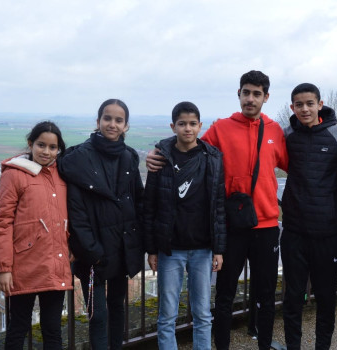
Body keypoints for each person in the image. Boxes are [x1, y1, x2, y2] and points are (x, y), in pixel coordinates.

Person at [147, 70, 289, 350]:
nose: (250, 99)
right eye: (246, 92)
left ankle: (264, 344)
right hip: (233, 226)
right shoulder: (221, 128)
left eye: (257, 94)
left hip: (267, 224)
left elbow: (294, 165)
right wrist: (158, 152)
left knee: (266, 294)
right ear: (239, 94)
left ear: (266, 97)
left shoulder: (274, 130)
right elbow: (188, 145)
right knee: (224, 296)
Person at [58, 99, 144, 350]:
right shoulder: (79, 159)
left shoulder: (129, 157)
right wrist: (92, 252)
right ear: (98, 122)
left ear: (126, 126)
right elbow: (76, 212)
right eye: (108, 118)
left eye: (119, 120)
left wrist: (137, 244)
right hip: (94, 254)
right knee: (98, 315)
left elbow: (137, 200)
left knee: (118, 308)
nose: (112, 124)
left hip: (122, 247)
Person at [142, 101, 226, 350]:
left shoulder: (213, 158)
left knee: (202, 313)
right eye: (182, 124)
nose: (187, 129)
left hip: (203, 249)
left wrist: (218, 249)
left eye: (192, 124)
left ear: (201, 126)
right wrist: (152, 249)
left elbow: (219, 206)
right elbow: (150, 207)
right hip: (171, 249)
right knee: (167, 315)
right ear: (173, 126)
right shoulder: (160, 158)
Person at [280, 83, 337, 350]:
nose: (305, 109)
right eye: (299, 104)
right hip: (295, 231)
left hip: (328, 233)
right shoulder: (286, 135)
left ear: (320, 104)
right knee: (293, 298)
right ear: (292, 108)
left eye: (310, 103)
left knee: (326, 298)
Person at [0, 121, 71, 349]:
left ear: (58, 149)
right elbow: (2, 222)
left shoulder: (62, 174)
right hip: (23, 265)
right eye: (41, 145)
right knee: (18, 329)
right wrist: (4, 268)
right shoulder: (15, 175)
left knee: (53, 330)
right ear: (30, 144)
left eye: (53, 147)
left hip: (55, 262)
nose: (46, 152)